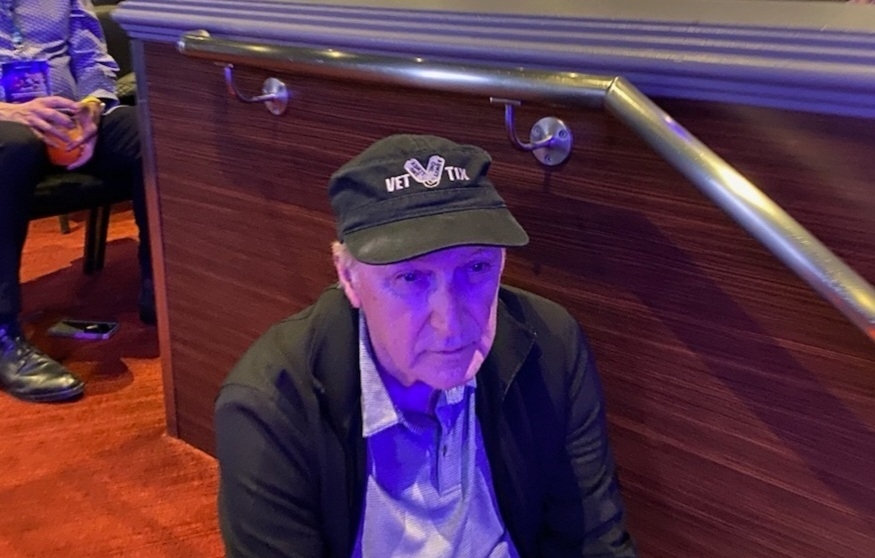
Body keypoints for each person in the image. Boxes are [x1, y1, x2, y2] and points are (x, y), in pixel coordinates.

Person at [215, 134, 637, 557]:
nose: (450, 325)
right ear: (348, 277)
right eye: (410, 278)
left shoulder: (551, 344)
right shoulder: (271, 406)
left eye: (476, 267)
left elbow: (594, 542)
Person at [0, 0, 152, 403]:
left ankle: (165, 291)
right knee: (11, 148)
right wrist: (12, 112)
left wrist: (93, 105)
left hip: (70, 122)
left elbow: (90, 57)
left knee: (151, 134)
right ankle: (3, 335)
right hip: (6, 125)